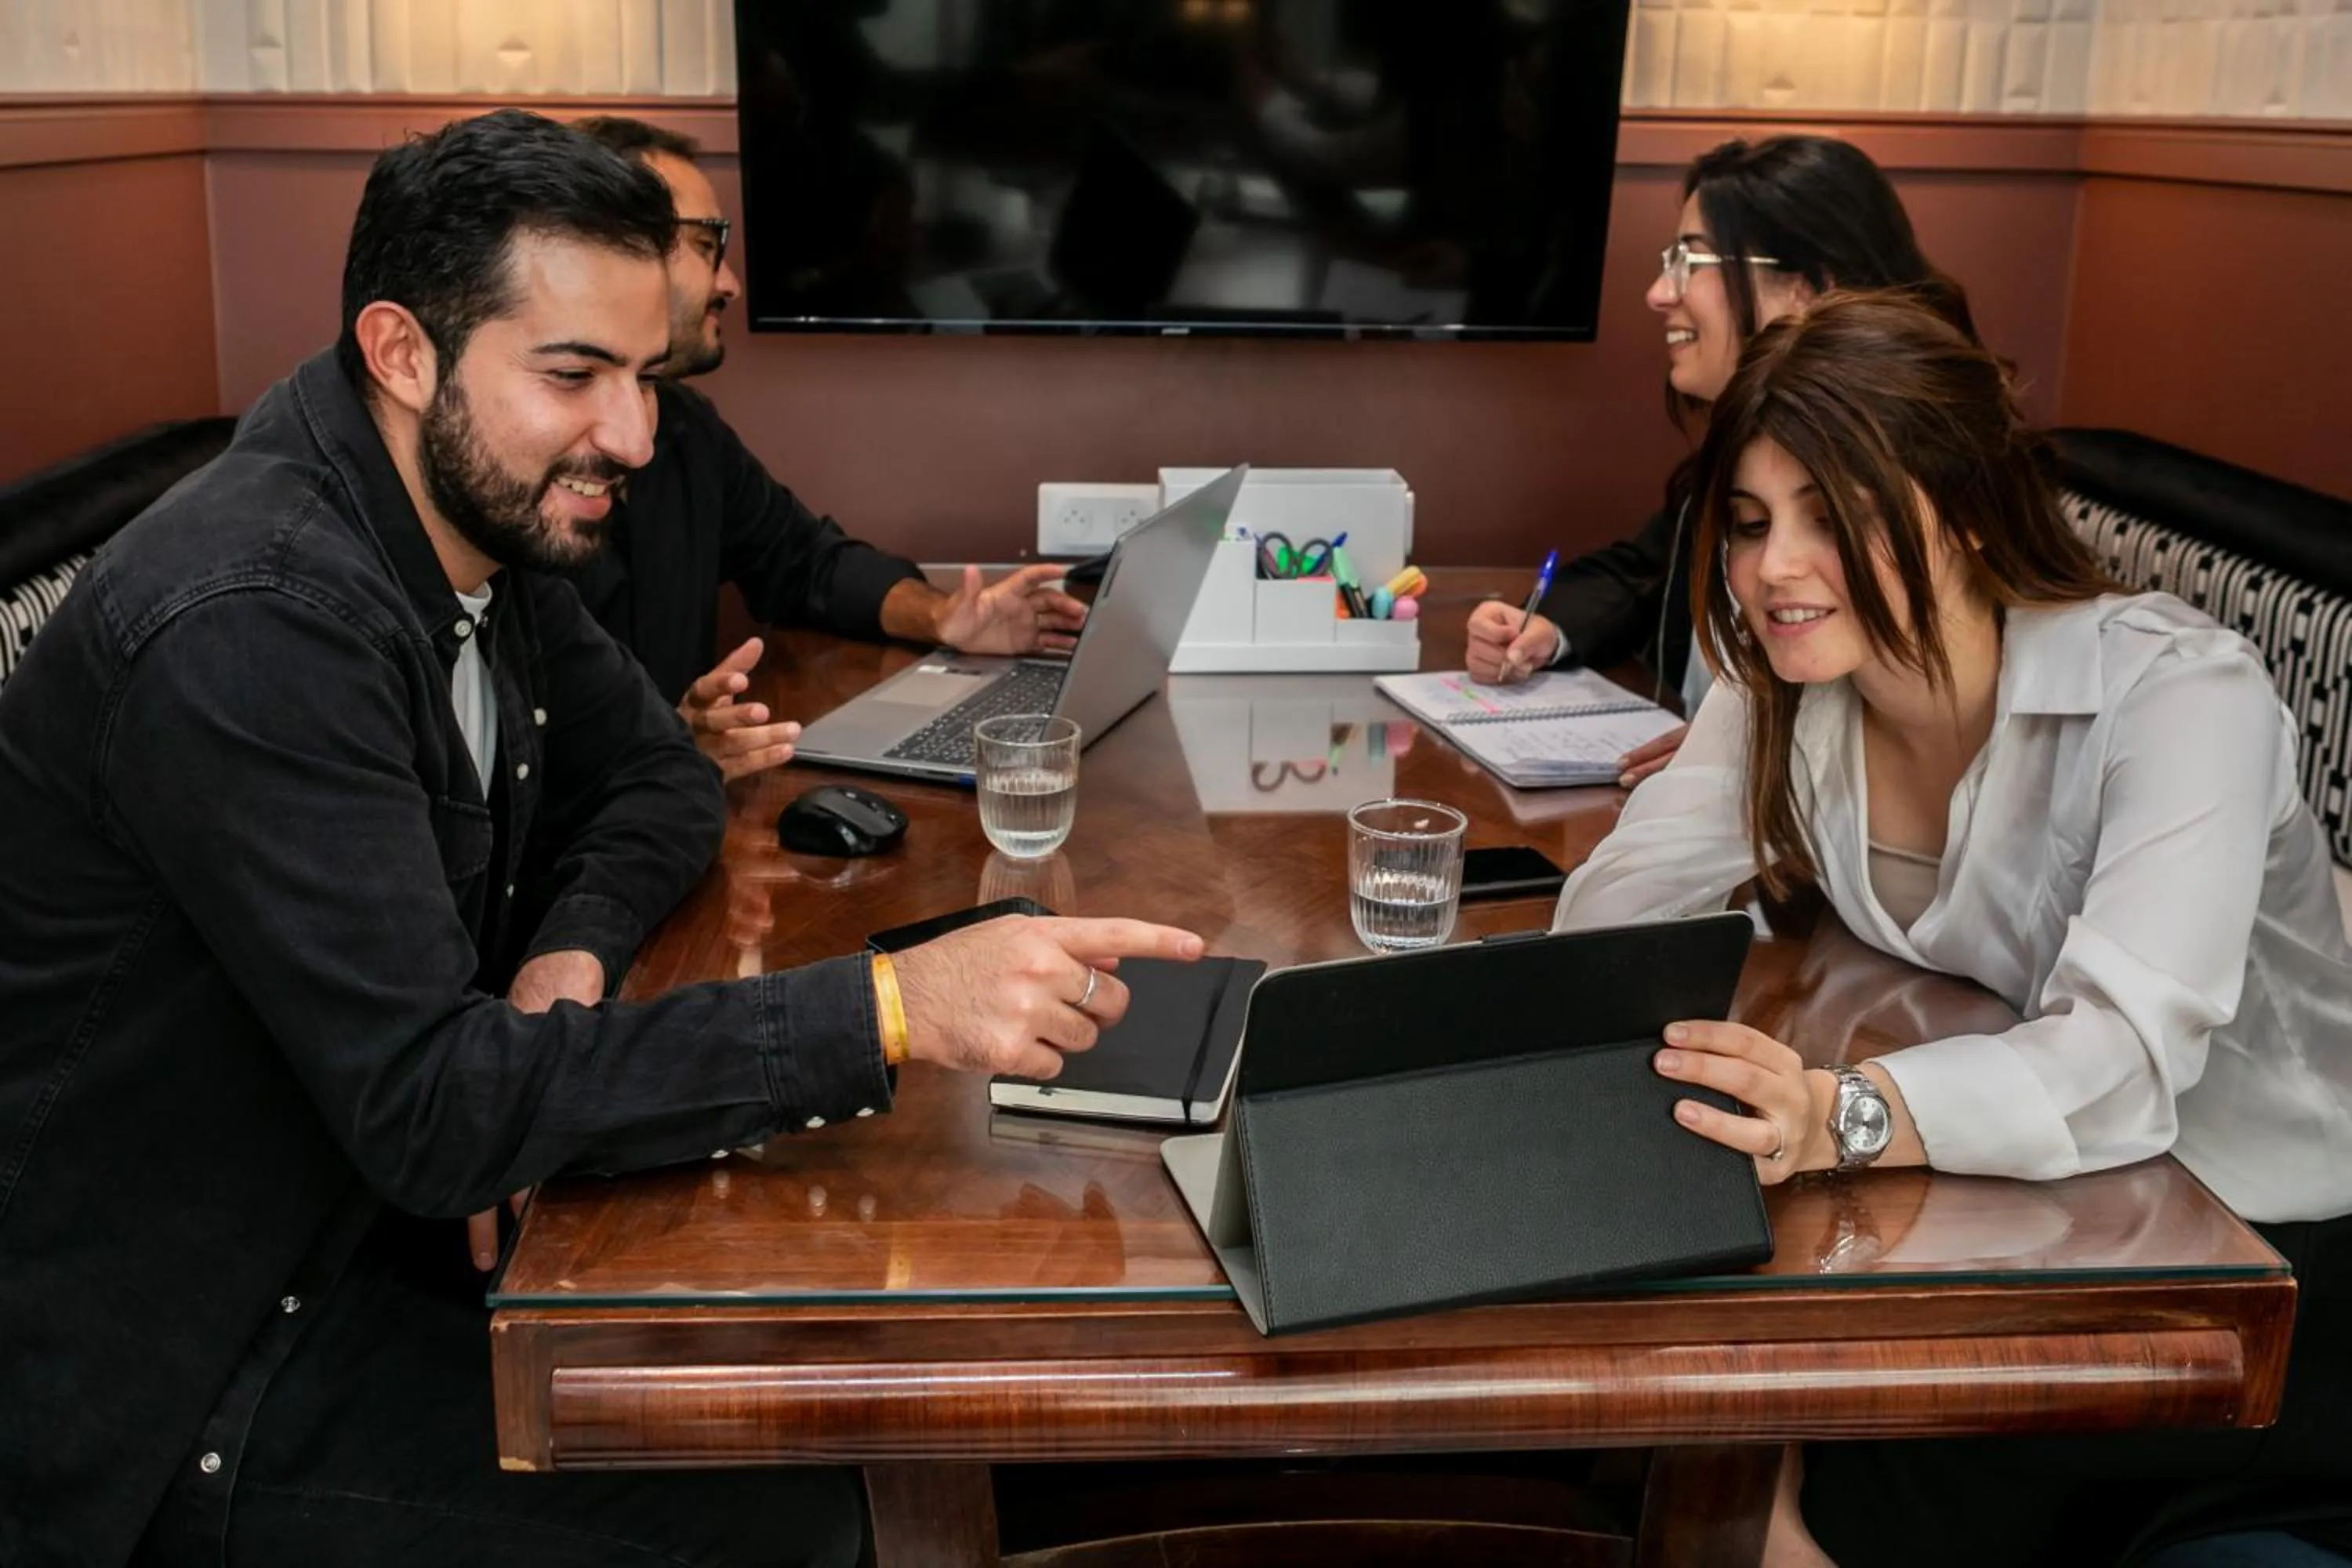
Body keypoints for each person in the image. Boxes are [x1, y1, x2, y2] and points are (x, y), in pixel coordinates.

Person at [0, 108, 1200, 1568]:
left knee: (817, 1395)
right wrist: (894, 1005)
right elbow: (439, 1115)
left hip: (369, 1227)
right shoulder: (258, 620)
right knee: (808, 1519)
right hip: (182, 1371)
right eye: (573, 374)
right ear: (400, 350)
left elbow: (661, 780)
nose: (630, 437)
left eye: (643, 376)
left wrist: (567, 955)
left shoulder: (472, 525)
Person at [1552, 292, 2352, 1566]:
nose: (1774, 568)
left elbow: (2124, 1061)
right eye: (1752, 524)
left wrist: (1838, 1115)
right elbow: (1609, 921)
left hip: (2254, 1269)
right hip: (2031, 1220)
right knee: (1692, 1409)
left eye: (1836, 514)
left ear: (1969, 512)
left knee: (1772, 1459)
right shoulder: (1787, 685)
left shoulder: (2180, 695)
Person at [567, 114, 1086, 782]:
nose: (730, 283)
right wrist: (663, 749)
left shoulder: (689, 428)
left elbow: (803, 561)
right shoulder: (518, 470)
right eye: (705, 245)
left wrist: (944, 618)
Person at [1464, 135, 1978, 787]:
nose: (1657, 293)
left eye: (1690, 262)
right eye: (1753, 526)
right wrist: (1544, 628)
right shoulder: (1738, 459)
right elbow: (1643, 572)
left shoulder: (1922, 484)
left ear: (1805, 290)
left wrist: (1746, 751)